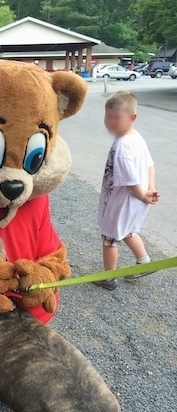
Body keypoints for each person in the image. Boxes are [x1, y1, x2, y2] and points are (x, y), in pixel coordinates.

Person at [95, 91, 160, 290]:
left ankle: (109, 277)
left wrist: (143, 193)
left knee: (110, 239)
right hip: (135, 200)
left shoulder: (123, 146)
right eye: (108, 116)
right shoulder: (136, 137)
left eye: (116, 117)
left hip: (122, 202)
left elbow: (130, 179)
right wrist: (150, 188)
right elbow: (149, 164)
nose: (110, 122)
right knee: (128, 230)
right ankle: (144, 261)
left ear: (132, 118)